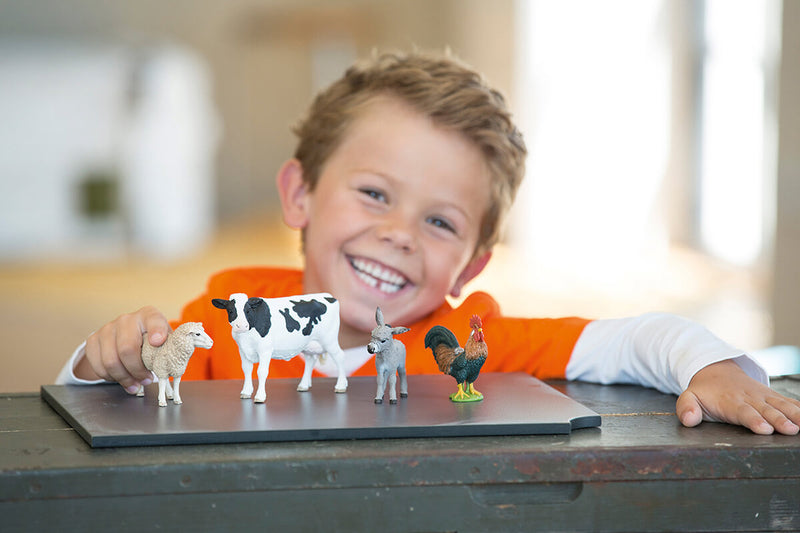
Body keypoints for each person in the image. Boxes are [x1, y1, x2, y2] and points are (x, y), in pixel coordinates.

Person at [57, 51, 800, 435]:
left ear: (471, 262)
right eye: (375, 194)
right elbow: (81, 413)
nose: (398, 235)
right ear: (300, 194)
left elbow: (635, 337)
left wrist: (715, 365)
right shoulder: (223, 318)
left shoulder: (472, 342)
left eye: (440, 221)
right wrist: (103, 359)